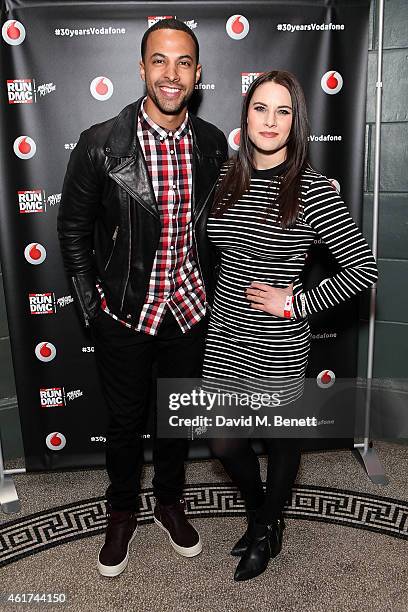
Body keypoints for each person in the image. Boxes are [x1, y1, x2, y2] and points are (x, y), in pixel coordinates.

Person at [58, 18, 227, 577]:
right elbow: (72, 231)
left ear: (197, 74)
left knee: (176, 420)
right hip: (125, 314)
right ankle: (124, 509)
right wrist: (92, 308)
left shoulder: (211, 143)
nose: (171, 74)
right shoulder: (100, 144)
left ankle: (170, 502)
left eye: (183, 63)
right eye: (160, 61)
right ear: (141, 69)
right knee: (126, 423)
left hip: (190, 311)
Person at [202, 70, 378, 581]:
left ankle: (265, 526)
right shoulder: (224, 179)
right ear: (246, 115)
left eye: (283, 111)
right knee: (223, 441)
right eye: (261, 108)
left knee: (280, 439)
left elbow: (363, 271)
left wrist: (295, 301)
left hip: (275, 344)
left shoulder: (312, 189)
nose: (271, 120)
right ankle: (264, 514)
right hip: (224, 336)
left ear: (295, 121)